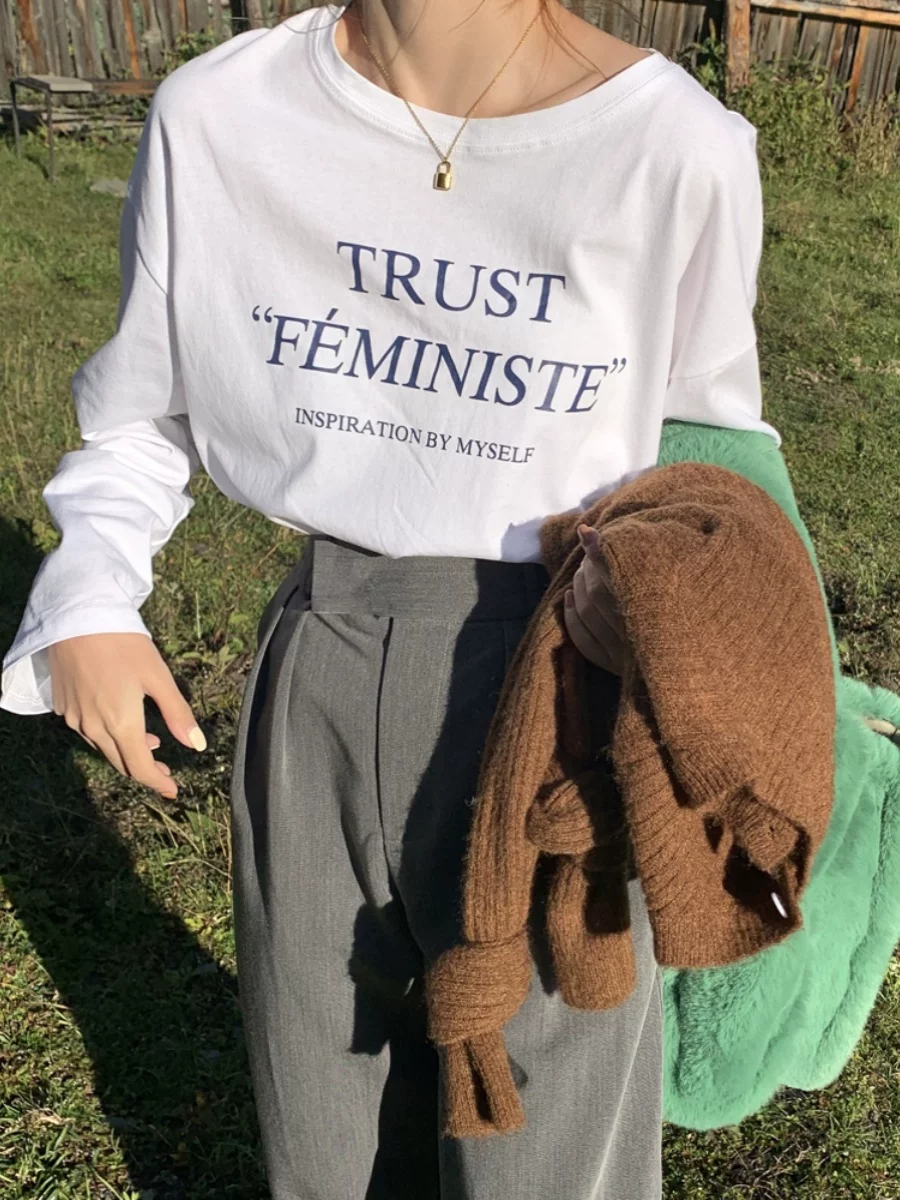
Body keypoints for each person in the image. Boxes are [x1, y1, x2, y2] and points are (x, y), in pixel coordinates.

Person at [0, 1, 782, 1195]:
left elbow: (718, 457)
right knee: (320, 1099)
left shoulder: (675, 149)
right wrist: (91, 592)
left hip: (563, 689)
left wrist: (706, 662)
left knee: (551, 1129)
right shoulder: (221, 116)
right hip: (321, 665)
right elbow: (144, 407)